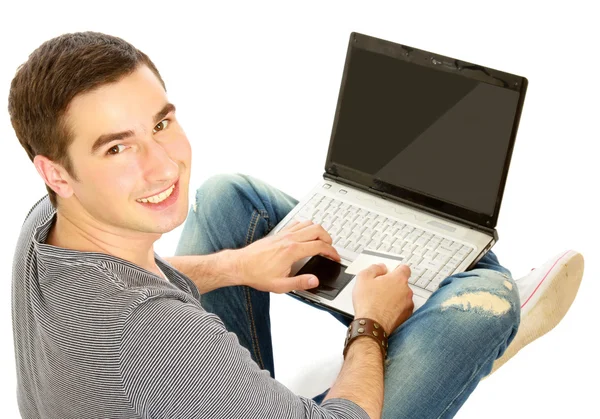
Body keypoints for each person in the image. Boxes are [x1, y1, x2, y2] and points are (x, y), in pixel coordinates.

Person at [9, 31, 584, 419]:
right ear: (56, 171)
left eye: (160, 124)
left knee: (230, 198)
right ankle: (471, 326)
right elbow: (148, 328)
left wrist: (239, 264)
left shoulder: (48, 223)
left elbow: (137, 284)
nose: (162, 165)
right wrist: (370, 327)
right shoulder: (152, 338)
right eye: (116, 149)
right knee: (488, 299)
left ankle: (443, 289)